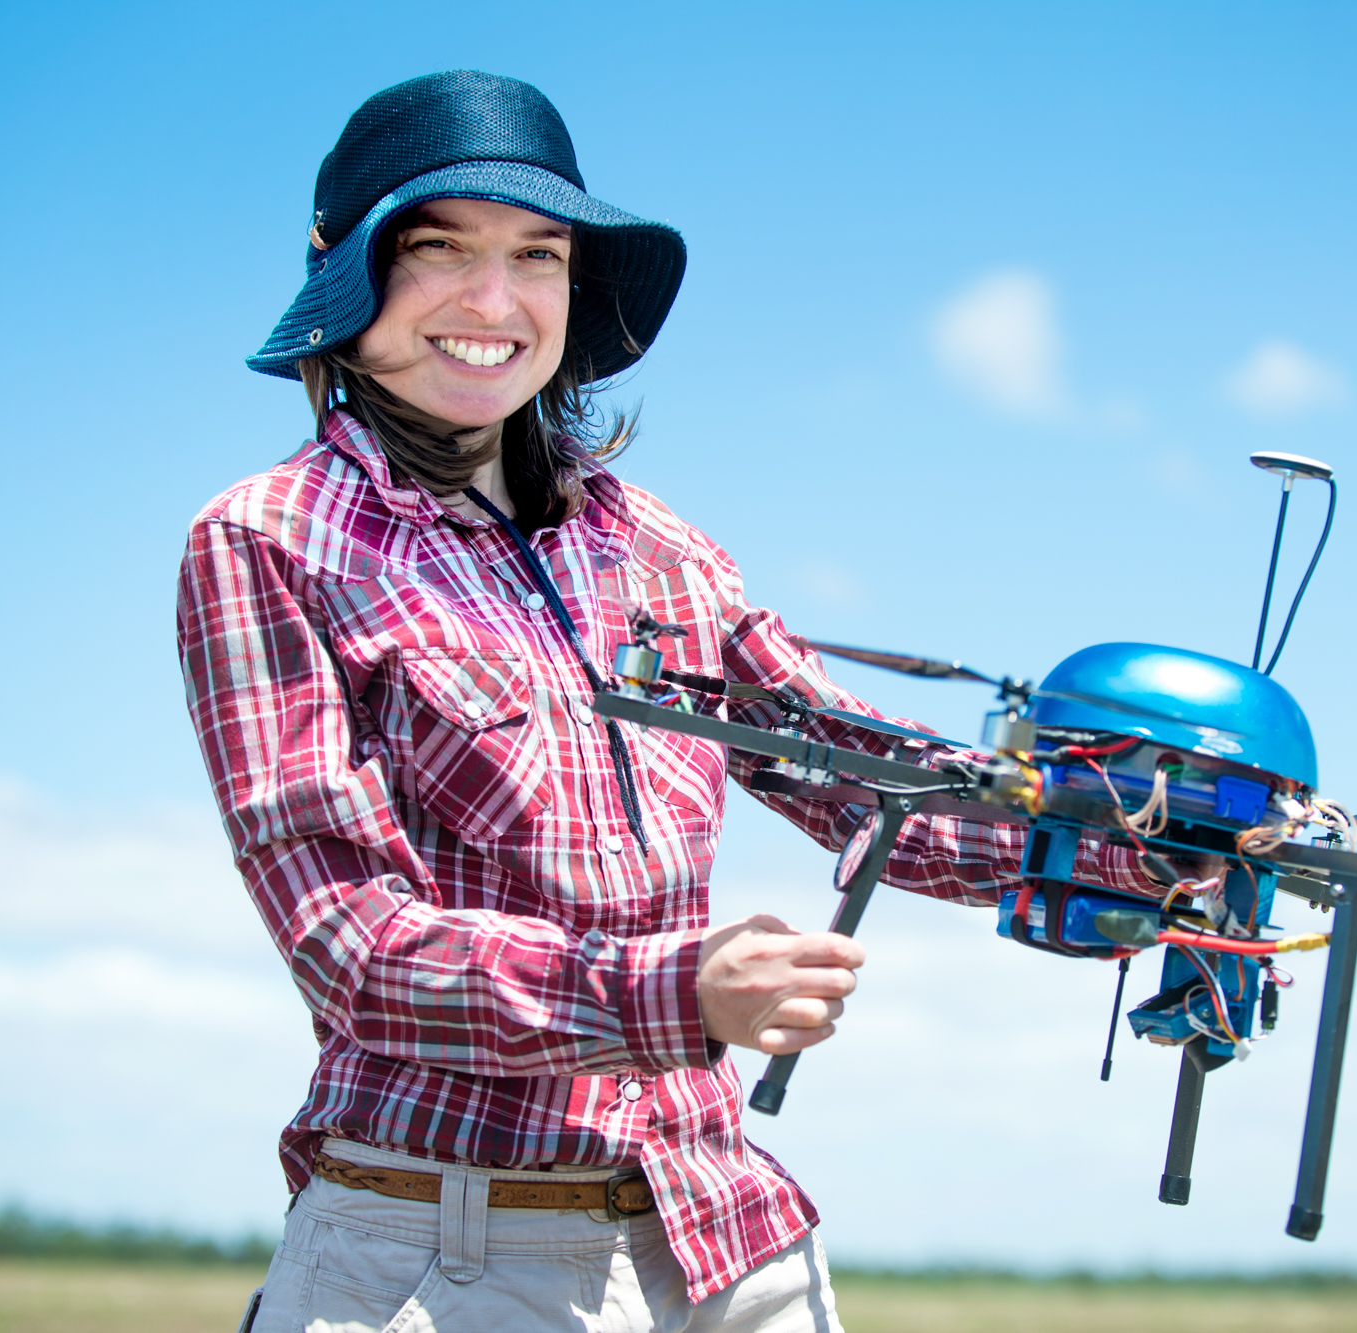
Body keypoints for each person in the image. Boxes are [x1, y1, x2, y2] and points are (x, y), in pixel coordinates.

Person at [179, 70, 1157, 1333]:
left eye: (538, 253)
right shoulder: (268, 540)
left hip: (721, 1235)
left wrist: (1138, 845)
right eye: (439, 250)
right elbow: (350, 942)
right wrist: (675, 989)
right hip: (442, 1246)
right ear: (346, 269)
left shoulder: (663, 552)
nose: (494, 299)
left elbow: (870, 782)